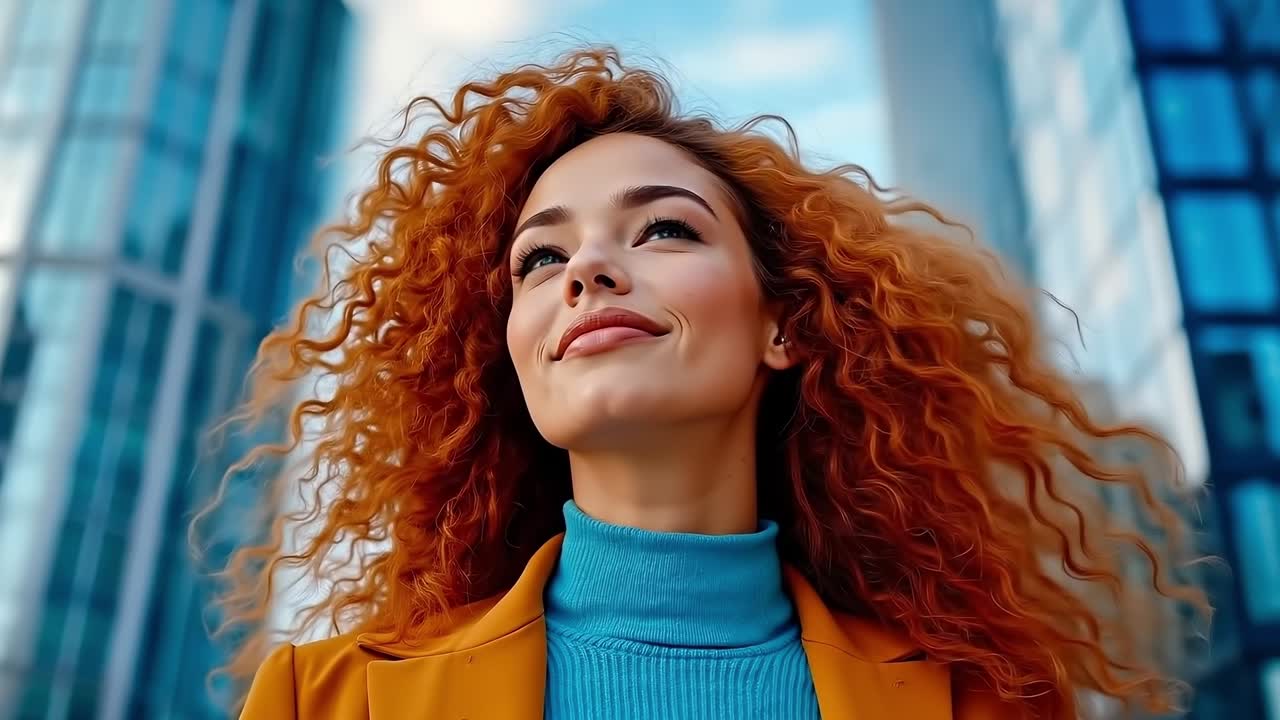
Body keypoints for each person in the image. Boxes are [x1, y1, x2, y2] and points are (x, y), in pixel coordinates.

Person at [216, 46, 1209, 719]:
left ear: (782, 323)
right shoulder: (325, 699)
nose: (585, 272)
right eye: (536, 260)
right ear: (509, 356)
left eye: (663, 229)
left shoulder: (979, 703)